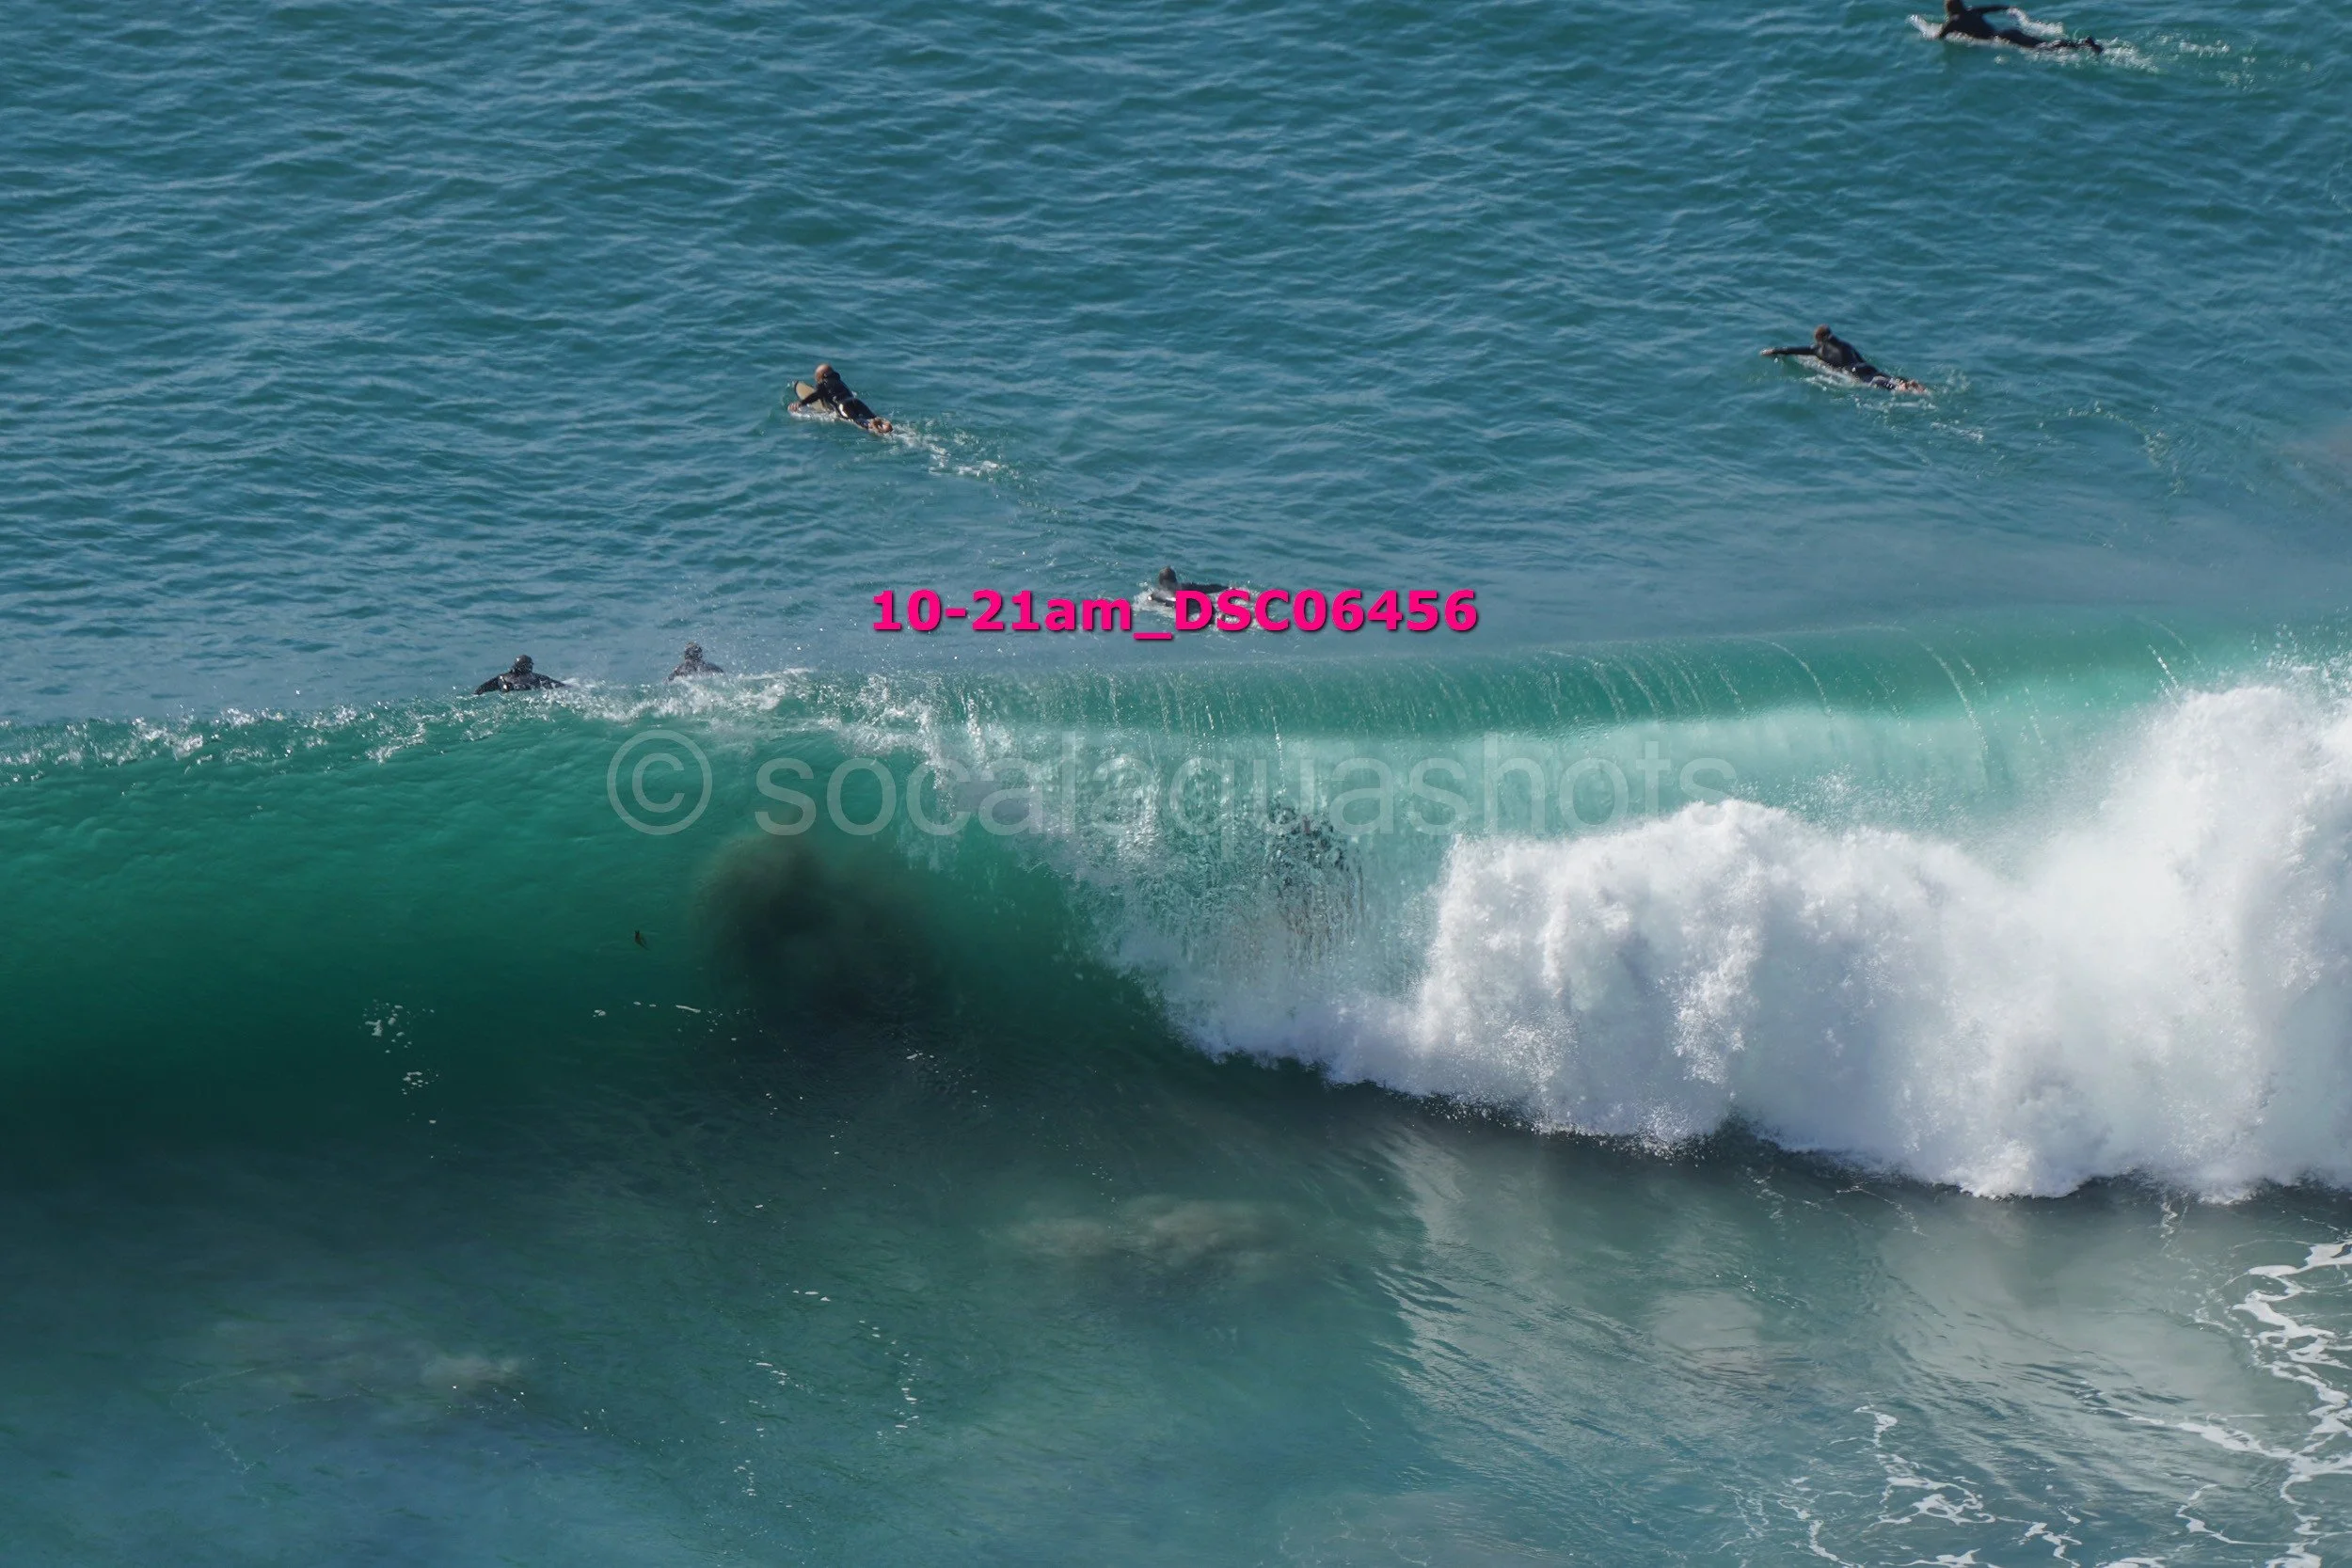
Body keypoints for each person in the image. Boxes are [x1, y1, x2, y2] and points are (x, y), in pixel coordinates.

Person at [1761, 326, 1928, 393]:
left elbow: (1792, 350)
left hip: (1852, 370)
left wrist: (1773, 351)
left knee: (1873, 382)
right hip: (1865, 365)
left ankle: (1900, 388)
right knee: (1881, 375)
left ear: (1818, 338)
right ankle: (1906, 383)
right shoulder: (1846, 344)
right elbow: (1860, 359)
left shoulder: (1817, 349)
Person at [1934, 1, 2101, 52]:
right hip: (2007, 32)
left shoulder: (1953, 22)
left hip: (2001, 39)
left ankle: (2083, 45)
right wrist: (2009, 8)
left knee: (2043, 48)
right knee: (2042, 43)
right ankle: (2082, 44)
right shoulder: (1972, 11)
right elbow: (1994, 7)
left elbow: (1939, 37)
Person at [790, 363, 894, 435]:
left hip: (843, 406)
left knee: (856, 420)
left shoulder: (822, 384)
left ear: (821, 377)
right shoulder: (841, 382)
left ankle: (871, 426)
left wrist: (801, 403)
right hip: (856, 401)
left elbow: (816, 395)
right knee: (873, 417)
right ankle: (883, 424)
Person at [474, 655, 565, 693]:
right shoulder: (535, 677)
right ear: (524, 666)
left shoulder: (502, 677)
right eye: (529, 665)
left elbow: (480, 690)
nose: (531, 667)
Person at [1152, 565, 1230, 601]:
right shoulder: (1158, 595)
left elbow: (1208, 588)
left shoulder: (1187, 588)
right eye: (1166, 588)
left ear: (1176, 582)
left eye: (1170, 587)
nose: (1169, 589)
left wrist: (1227, 589)